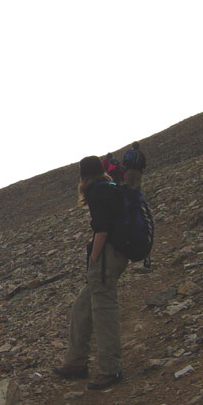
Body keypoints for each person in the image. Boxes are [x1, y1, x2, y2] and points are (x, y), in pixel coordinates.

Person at [53, 156, 128, 390]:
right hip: (116, 255)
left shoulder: (97, 191)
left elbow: (102, 230)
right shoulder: (112, 187)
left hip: (106, 258)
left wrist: (94, 257)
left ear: (83, 176)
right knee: (82, 307)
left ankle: (110, 370)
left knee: (103, 311)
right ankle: (76, 363)